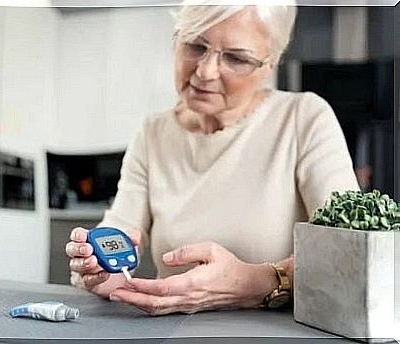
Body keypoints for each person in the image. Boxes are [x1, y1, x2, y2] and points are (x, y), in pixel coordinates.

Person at [65, 2, 359, 315]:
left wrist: (251, 283)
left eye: (236, 58)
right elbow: (121, 234)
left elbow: (349, 253)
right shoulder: (153, 133)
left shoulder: (304, 118)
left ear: (270, 65)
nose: (205, 72)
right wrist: (96, 270)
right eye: (195, 45)